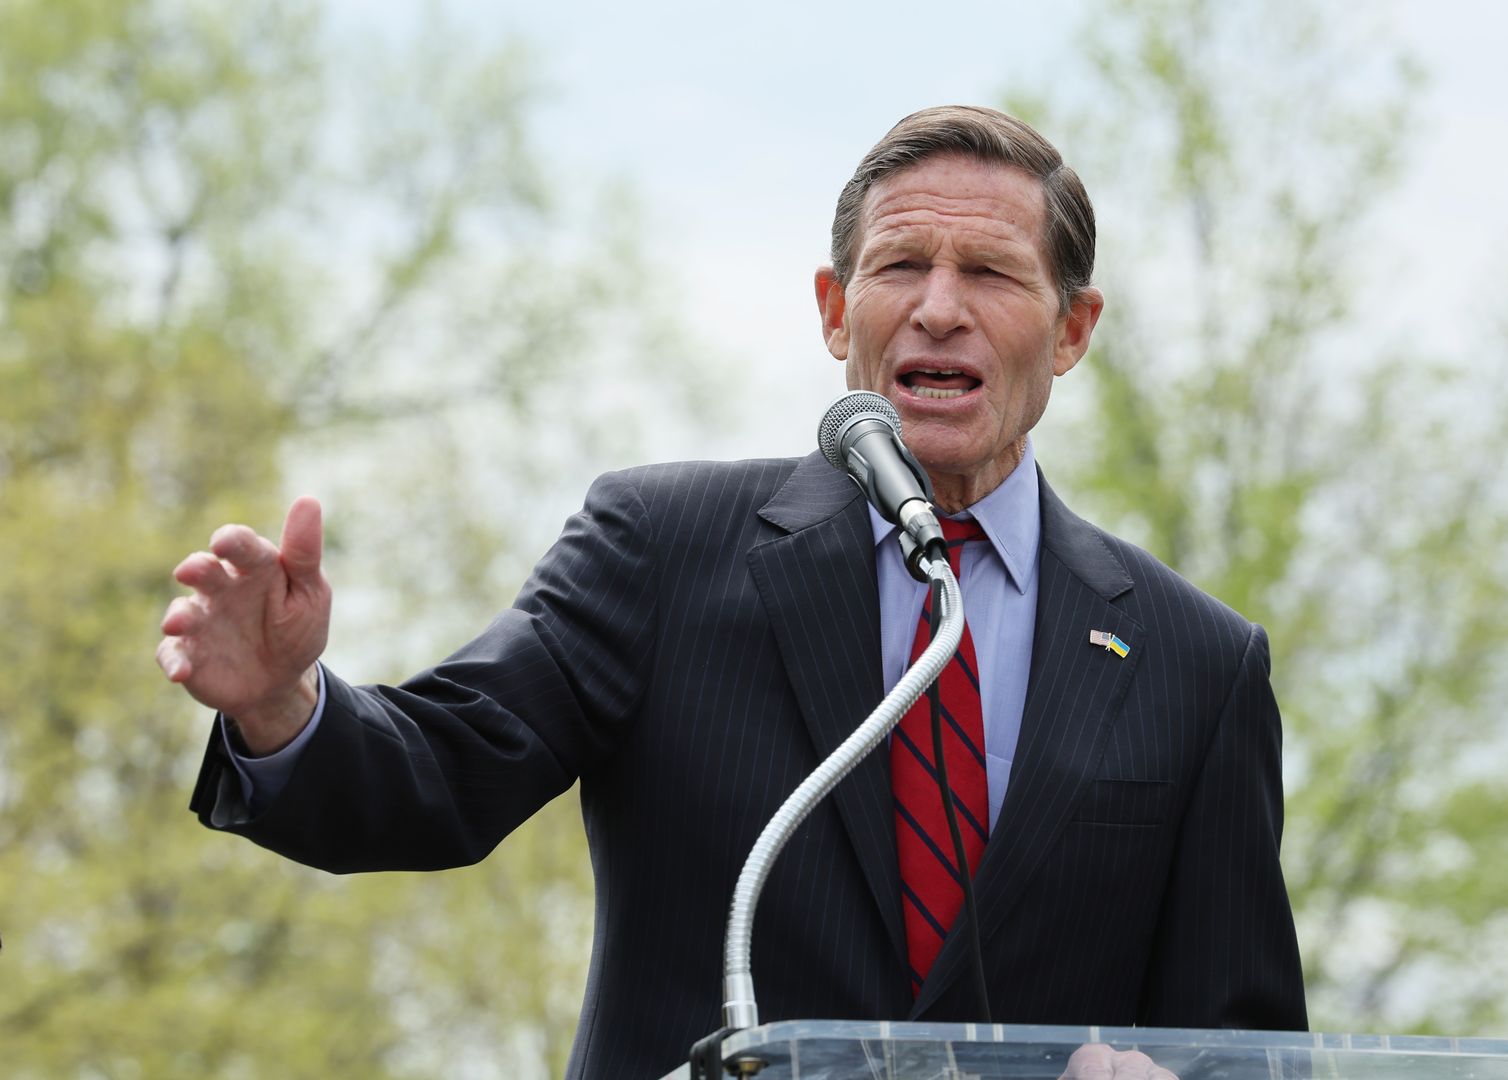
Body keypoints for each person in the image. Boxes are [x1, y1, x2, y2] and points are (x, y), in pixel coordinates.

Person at [159, 106, 1307, 1079]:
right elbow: (438, 777)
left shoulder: (1196, 663)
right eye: (900, 267)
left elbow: (1247, 1047)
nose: (939, 308)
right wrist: (282, 703)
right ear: (834, 309)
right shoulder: (661, 549)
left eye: (992, 274)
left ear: (1072, 330)